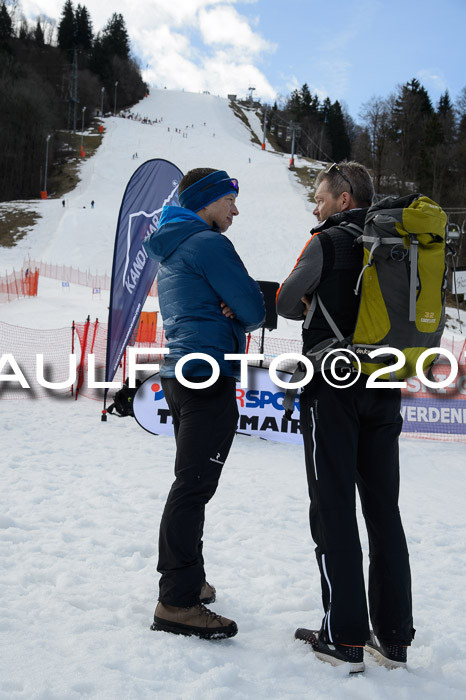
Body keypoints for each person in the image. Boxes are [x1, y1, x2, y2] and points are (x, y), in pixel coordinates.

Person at [276, 161, 414, 673]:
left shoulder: (327, 241)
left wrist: (315, 296)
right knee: (383, 511)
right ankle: (395, 637)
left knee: (332, 507)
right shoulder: (397, 244)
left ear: (345, 197)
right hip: (384, 382)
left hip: (332, 387)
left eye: (321, 197)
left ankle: (344, 637)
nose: (316, 206)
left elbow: (287, 300)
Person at [143, 168, 265, 640]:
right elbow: (254, 309)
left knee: (191, 482)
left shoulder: (172, 243)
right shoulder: (209, 244)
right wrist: (242, 303)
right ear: (207, 200)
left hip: (180, 373)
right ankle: (176, 600)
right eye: (229, 200)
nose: (235, 209)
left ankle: (189, 579)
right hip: (208, 375)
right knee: (193, 487)